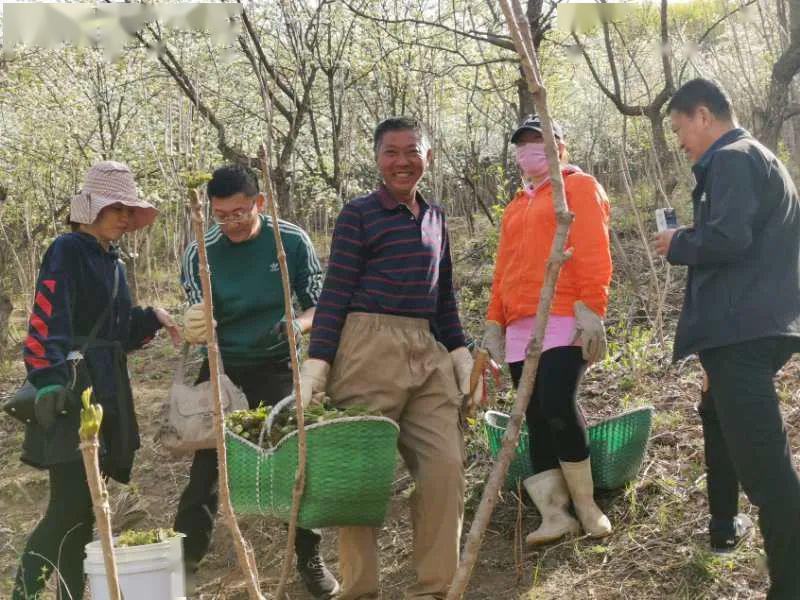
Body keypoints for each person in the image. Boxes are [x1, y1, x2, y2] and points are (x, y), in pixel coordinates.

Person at [300, 116, 480, 600]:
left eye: (412, 150)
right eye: (391, 152)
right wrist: (317, 364)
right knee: (362, 476)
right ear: (377, 160)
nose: (403, 161)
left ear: (429, 156)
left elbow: (444, 300)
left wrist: (461, 354)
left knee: (444, 467)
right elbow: (335, 293)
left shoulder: (437, 217)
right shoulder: (359, 214)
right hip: (367, 346)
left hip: (427, 350)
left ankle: (436, 588)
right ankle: (359, 590)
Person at [654, 78, 800, 599]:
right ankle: (724, 523)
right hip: (751, 327)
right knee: (717, 415)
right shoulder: (754, 156)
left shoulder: (734, 157)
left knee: (769, 476)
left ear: (703, 115)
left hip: (743, 335)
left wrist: (677, 242)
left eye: (680, 129)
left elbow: (728, 238)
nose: (681, 141)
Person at [12, 161, 180, 600]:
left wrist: (154, 317)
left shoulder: (113, 260)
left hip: (107, 390)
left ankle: (71, 593)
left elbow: (116, 332)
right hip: (72, 389)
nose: (124, 216)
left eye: (129, 207)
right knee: (67, 506)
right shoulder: (66, 249)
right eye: (116, 206)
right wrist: (48, 380)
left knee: (87, 509)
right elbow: (46, 320)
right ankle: (23, 593)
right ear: (91, 207)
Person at [175, 164, 338, 598]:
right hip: (223, 368)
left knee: (294, 460)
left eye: (239, 212)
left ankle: (309, 556)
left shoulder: (291, 240)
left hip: (277, 363)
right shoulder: (200, 252)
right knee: (209, 469)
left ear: (259, 204)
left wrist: (296, 324)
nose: (230, 222)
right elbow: (195, 310)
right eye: (221, 214)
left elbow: (319, 303)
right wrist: (194, 322)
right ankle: (183, 564)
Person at [482, 115, 613, 546]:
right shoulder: (516, 205)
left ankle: (586, 505)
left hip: (563, 314)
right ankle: (555, 515)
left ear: (560, 146)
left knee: (557, 402)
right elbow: (504, 269)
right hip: (522, 322)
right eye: (522, 143)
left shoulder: (578, 186)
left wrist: (591, 307)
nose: (528, 150)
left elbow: (594, 247)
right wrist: (493, 322)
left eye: (538, 140)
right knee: (534, 416)